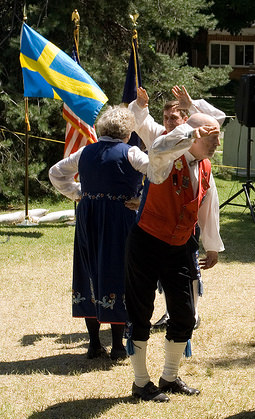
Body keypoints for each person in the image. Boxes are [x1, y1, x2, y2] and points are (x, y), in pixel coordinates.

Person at [124, 112, 224, 402]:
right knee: (141, 312)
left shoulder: (205, 166)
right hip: (147, 242)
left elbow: (208, 204)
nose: (217, 142)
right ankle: (141, 383)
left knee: (185, 314)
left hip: (180, 246)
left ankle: (169, 377)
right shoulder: (165, 159)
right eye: (212, 136)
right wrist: (188, 134)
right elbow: (156, 150)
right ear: (193, 136)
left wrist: (211, 245)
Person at [49, 106, 149, 360]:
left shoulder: (85, 152)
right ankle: (117, 345)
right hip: (119, 218)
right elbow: (158, 173)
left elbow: (56, 173)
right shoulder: (132, 153)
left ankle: (94, 343)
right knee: (116, 271)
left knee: (89, 270)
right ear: (127, 132)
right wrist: (141, 199)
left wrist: (79, 192)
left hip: (89, 217)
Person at [129, 85, 226, 329]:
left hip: (185, 226)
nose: (170, 122)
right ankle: (163, 316)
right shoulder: (160, 138)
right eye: (166, 118)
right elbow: (144, 130)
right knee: (150, 282)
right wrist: (141, 106)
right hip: (155, 227)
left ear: (185, 120)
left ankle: (188, 314)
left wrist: (212, 245)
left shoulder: (203, 161)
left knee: (187, 273)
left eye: (175, 117)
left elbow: (208, 203)